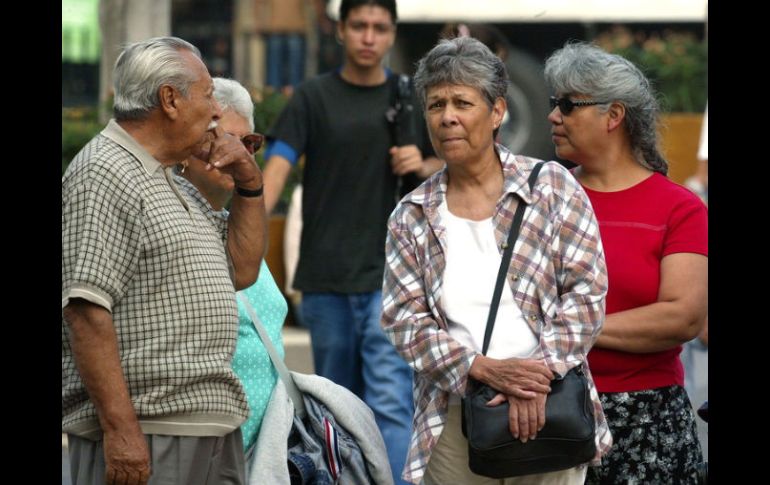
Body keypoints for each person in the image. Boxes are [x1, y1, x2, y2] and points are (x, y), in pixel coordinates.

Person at [381, 36, 611, 485]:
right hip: (453, 415)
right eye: (435, 105)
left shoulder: (552, 188)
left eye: (463, 102)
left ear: (498, 111)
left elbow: (587, 292)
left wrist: (533, 379)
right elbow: (404, 320)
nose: (448, 116)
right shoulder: (411, 215)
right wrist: (484, 371)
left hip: (552, 402)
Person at [62, 37, 266, 485]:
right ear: (170, 99)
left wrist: (249, 183)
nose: (217, 110)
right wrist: (122, 432)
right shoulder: (104, 171)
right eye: (208, 93)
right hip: (152, 429)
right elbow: (85, 311)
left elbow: (242, 270)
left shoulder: (170, 180)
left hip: (204, 425)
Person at [261, 1, 443, 482]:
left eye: (379, 28)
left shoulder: (412, 98)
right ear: (340, 31)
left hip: (393, 280)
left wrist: (421, 164)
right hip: (325, 279)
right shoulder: (312, 97)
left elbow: (456, 171)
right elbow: (277, 165)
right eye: (359, 26)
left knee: (390, 401)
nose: (368, 37)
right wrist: (247, 229)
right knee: (336, 406)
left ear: (392, 34)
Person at [544, 42, 708, 483]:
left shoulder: (679, 208)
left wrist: (572, 328)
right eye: (552, 103)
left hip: (648, 423)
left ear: (613, 116)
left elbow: (682, 317)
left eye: (567, 105)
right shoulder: (539, 199)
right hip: (548, 415)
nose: (553, 116)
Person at [175, 77, 286, 459]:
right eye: (223, 140)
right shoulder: (174, 224)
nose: (239, 155)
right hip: (203, 442)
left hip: (265, 445)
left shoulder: (240, 224)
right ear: (188, 147)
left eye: (248, 144)